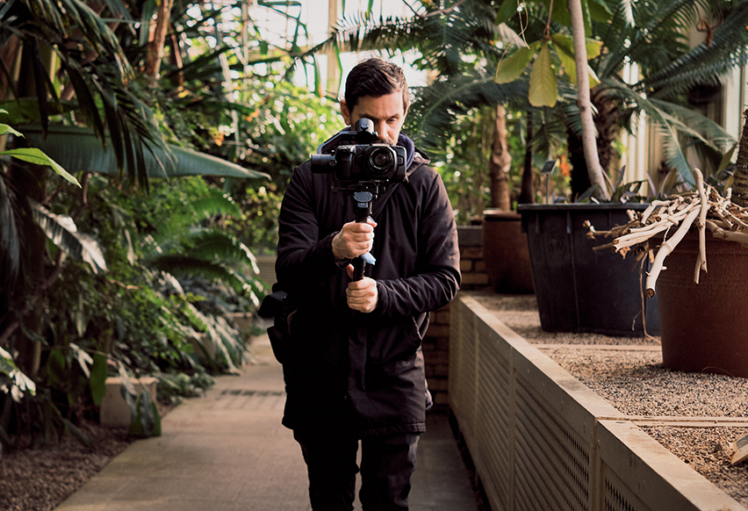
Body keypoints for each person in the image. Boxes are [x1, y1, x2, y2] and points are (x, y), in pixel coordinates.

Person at [274, 57, 461, 511]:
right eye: (368, 121)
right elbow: (289, 270)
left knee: (388, 501)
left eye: (393, 119)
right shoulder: (310, 178)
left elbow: (446, 278)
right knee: (329, 499)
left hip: (394, 372)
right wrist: (333, 248)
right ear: (344, 111)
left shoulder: (424, 183)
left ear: (406, 110)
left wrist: (384, 295)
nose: (382, 134)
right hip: (320, 373)